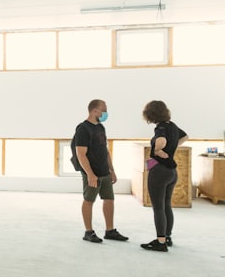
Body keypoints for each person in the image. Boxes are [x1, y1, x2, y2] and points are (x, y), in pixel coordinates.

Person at [73, 99, 128, 244]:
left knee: (109, 199)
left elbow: (105, 150)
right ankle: (88, 232)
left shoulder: (101, 127)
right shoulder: (83, 129)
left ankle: (110, 231)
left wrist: (112, 170)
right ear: (94, 111)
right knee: (89, 200)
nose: (106, 112)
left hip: (105, 172)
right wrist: (90, 174)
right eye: (104, 109)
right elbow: (80, 154)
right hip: (92, 173)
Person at [141, 100, 188, 252]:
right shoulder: (172, 125)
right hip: (171, 172)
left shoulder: (160, 128)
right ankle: (167, 237)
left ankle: (160, 242)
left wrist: (158, 151)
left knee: (158, 207)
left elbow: (160, 142)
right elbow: (185, 136)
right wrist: (172, 148)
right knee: (166, 204)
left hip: (160, 171)